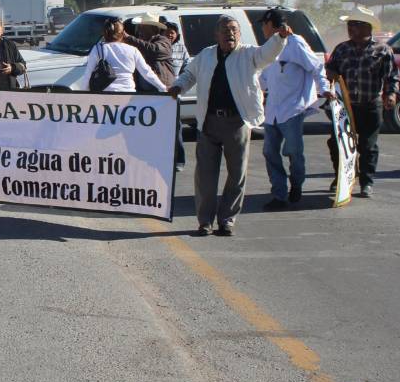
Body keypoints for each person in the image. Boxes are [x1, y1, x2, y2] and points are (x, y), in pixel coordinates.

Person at [168, 15, 291, 236]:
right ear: (216, 34)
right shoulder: (205, 55)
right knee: (205, 176)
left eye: (234, 29)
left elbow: (268, 54)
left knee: (237, 174)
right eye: (225, 30)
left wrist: (279, 38)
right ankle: (205, 222)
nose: (230, 33)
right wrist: (177, 87)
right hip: (208, 122)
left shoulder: (249, 54)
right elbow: (188, 75)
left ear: (239, 33)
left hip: (237, 122)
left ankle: (226, 220)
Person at [257, 9, 331, 210]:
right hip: (272, 111)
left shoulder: (295, 43)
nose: (262, 28)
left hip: (292, 109)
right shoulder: (269, 47)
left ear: (271, 24)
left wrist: (324, 89)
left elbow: (316, 67)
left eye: (263, 24)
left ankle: (297, 184)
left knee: (293, 152)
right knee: (269, 152)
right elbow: (264, 77)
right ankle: (279, 195)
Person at [326, 10, 400, 198]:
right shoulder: (342, 49)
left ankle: (366, 182)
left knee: (368, 146)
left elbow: (393, 76)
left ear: (367, 27)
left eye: (354, 25)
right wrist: (330, 73)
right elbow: (330, 69)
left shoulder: (382, 50)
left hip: (370, 106)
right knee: (337, 143)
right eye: (349, 25)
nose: (350, 29)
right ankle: (341, 177)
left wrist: (391, 94)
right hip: (346, 107)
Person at [83, 18, 168, 93]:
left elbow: (88, 74)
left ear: (104, 33)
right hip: (128, 95)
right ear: (123, 33)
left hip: (105, 95)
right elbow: (147, 72)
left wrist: (84, 94)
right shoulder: (133, 50)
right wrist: (163, 88)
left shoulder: (97, 49)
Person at [123, 12, 175, 90]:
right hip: (143, 90)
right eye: (139, 27)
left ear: (153, 29)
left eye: (143, 27)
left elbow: (154, 50)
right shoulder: (140, 43)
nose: (139, 30)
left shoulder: (164, 41)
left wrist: (129, 38)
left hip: (160, 89)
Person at [163, 19, 188, 170]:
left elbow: (187, 67)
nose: (170, 35)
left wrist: (179, 82)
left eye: (172, 32)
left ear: (177, 34)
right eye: (167, 32)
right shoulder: (158, 45)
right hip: (160, 94)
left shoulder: (181, 48)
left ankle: (179, 160)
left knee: (176, 128)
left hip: (174, 95)